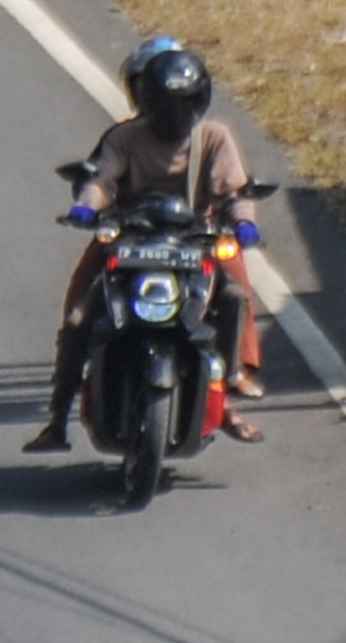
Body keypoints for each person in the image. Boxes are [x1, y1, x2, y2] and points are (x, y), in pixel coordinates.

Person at [29, 39, 270, 453]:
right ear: (144, 100)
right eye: (163, 104)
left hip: (196, 242)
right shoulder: (124, 138)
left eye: (183, 104)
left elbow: (236, 190)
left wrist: (244, 223)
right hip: (129, 240)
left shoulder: (214, 138)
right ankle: (57, 417)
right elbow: (100, 180)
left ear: (200, 101)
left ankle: (226, 392)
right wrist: (87, 208)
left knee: (232, 298)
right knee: (79, 318)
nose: (173, 114)